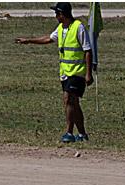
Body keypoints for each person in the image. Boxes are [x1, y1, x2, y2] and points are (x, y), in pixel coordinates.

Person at [15, 2, 93, 143]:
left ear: (62, 14)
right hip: (65, 72)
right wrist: (29, 41)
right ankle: (82, 134)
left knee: (68, 99)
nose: (55, 16)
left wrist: (88, 73)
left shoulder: (78, 27)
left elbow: (87, 50)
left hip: (77, 73)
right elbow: (49, 38)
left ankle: (69, 133)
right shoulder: (61, 28)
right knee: (73, 103)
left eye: (56, 13)